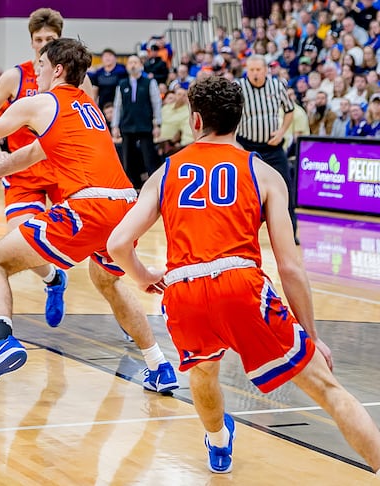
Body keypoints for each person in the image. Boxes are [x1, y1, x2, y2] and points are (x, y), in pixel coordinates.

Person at [107, 75, 380, 477]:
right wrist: (312, 335)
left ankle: (218, 443)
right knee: (327, 389)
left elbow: (117, 244)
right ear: (240, 119)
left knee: (202, 372)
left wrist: (144, 276)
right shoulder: (263, 173)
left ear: (195, 121)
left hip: (182, 289)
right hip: (240, 283)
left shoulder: (166, 171)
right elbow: (289, 265)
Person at [0, 38, 178, 396]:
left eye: (40, 64)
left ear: (57, 69)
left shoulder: (41, 102)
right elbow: (30, 154)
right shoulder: (85, 106)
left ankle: (0, 340)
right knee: (107, 282)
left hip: (88, 206)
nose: (35, 70)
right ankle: (159, 365)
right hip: (124, 206)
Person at [0, 8, 87, 328]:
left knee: (103, 244)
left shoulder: (76, 79)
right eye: (38, 40)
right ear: (30, 42)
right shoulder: (16, 76)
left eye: (49, 40)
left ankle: (128, 318)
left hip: (62, 168)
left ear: (60, 40)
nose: (42, 45)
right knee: (19, 236)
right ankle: (54, 278)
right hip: (23, 169)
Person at [235, 56, 298, 243]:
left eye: (258, 69)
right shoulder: (239, 87)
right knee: (242, 193)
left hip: (272, 147)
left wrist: (281, 132)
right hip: (246, 147)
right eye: (251, 69)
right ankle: (241, 236)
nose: (254, 73)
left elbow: (289, 110)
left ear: (265, 70)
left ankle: (290, 234)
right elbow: (229, 112)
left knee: (285, 188)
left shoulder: (277, 86)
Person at [111, 55, 162, 189]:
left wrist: (157, 123)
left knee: (148, 157)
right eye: (130, 63)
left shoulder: (149, 82)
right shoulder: (122, 84)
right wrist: (115, 125)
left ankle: (153, 186)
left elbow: (156, 103)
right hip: (127, 125)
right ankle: (132, 186)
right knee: (128, 158)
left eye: (135, 62)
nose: (133, 65)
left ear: (141, 65)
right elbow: (118, 106)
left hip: (144, 124)